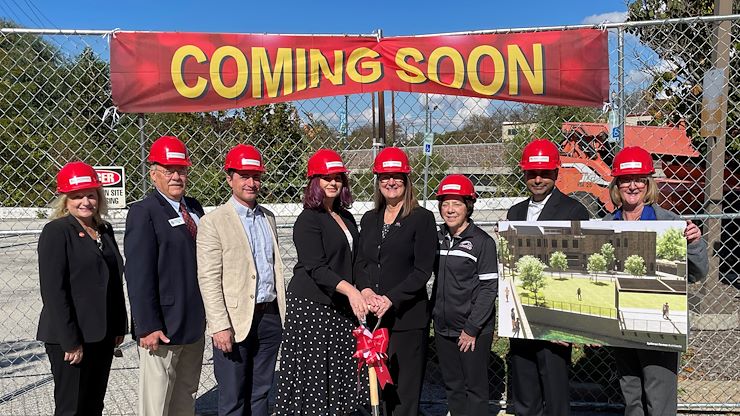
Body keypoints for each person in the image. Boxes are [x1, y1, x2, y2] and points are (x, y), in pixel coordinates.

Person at [604, 146, 707, 416]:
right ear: (617, 184)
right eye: (626, 179)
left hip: (659, 322)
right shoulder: (605, 224)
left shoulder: (670, 223)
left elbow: (697, 273)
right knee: (631, 395)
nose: (633, 185)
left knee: (659, 397)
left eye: (639, 179)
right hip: (620, 323)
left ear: (649, 184)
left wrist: (694, 243)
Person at [274, 149, 365, 415]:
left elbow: (354, 260)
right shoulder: (308, 220)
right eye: (326, 177)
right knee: (313, 373)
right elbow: (316, 267)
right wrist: (351, 291)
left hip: (339, 306)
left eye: (338, 177)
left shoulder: (345, 216)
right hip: (313, 306)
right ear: (314, 182)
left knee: (339, 367)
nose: (333, 183)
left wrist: (362, 290)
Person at [197, 144, 286, 416]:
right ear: (229, 178)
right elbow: (209, 278)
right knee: (233, 397)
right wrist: (219, 325)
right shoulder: (214, 222)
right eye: (244, 176)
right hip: (234, 323)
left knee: (261, 392)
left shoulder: (267, 217)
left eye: (256, 176)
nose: (251, 182)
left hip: (269, 316)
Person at [506, 139, 590, 416]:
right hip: (523, 313)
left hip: (555, 317)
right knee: (524, 391)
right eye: (532, 173)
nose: (538, 179)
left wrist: (568, 323)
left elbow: (582, 268)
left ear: (556, 173)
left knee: (555, 393)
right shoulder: (515, 212)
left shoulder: (573, 211)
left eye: (544, 173)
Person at [37, 161, 127, 416]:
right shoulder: (56, 232)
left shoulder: (104, 229)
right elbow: (54, 292)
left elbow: (114, 281)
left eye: (90, 194)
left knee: (93, 404)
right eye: (77, 196)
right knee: (71, 408)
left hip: (103, 334)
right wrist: (70, 342)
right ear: (65, 200)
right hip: (71, 337)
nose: (85, 201)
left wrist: (119, 326)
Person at [125, 135, 206, 416]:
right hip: (162, 328)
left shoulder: (194, 208)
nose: (176, 177)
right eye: (169, 170)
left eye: (181, 170)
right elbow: (138, 274)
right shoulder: (143, 212)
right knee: (157, 402)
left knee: (185, 396)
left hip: (193, 323)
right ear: (153, 173)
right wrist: (147, 325)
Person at [354, 147, 437, 416]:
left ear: (407, 179)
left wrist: (390, 299)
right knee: (379, 390)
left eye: (397, 176)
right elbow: (361, 263)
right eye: (385, 177)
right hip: (375, 317)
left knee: (404, 394)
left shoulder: (422, 218)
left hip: (407, 319)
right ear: (378, 181)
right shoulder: (369, 219)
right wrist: (366, 291)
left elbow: (423, 271)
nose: (391, 182)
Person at [432, 174, 499, 416]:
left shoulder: (482, 242)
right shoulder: (436, 236)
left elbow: (489, 288)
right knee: (453, 387)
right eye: (445, 203)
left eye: (457, 203)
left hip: (472, 330)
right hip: (443, 327)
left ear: (468, 206)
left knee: (475, 389)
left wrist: (471, 328)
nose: (450, 210)